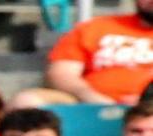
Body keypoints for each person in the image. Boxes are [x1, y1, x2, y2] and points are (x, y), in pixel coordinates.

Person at [10, 0, 153, 108]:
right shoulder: (96, 27)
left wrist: (146, 102)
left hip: (147, 107)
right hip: (90, 104)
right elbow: (62, 73)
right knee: (25, 101)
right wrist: (93, 98)